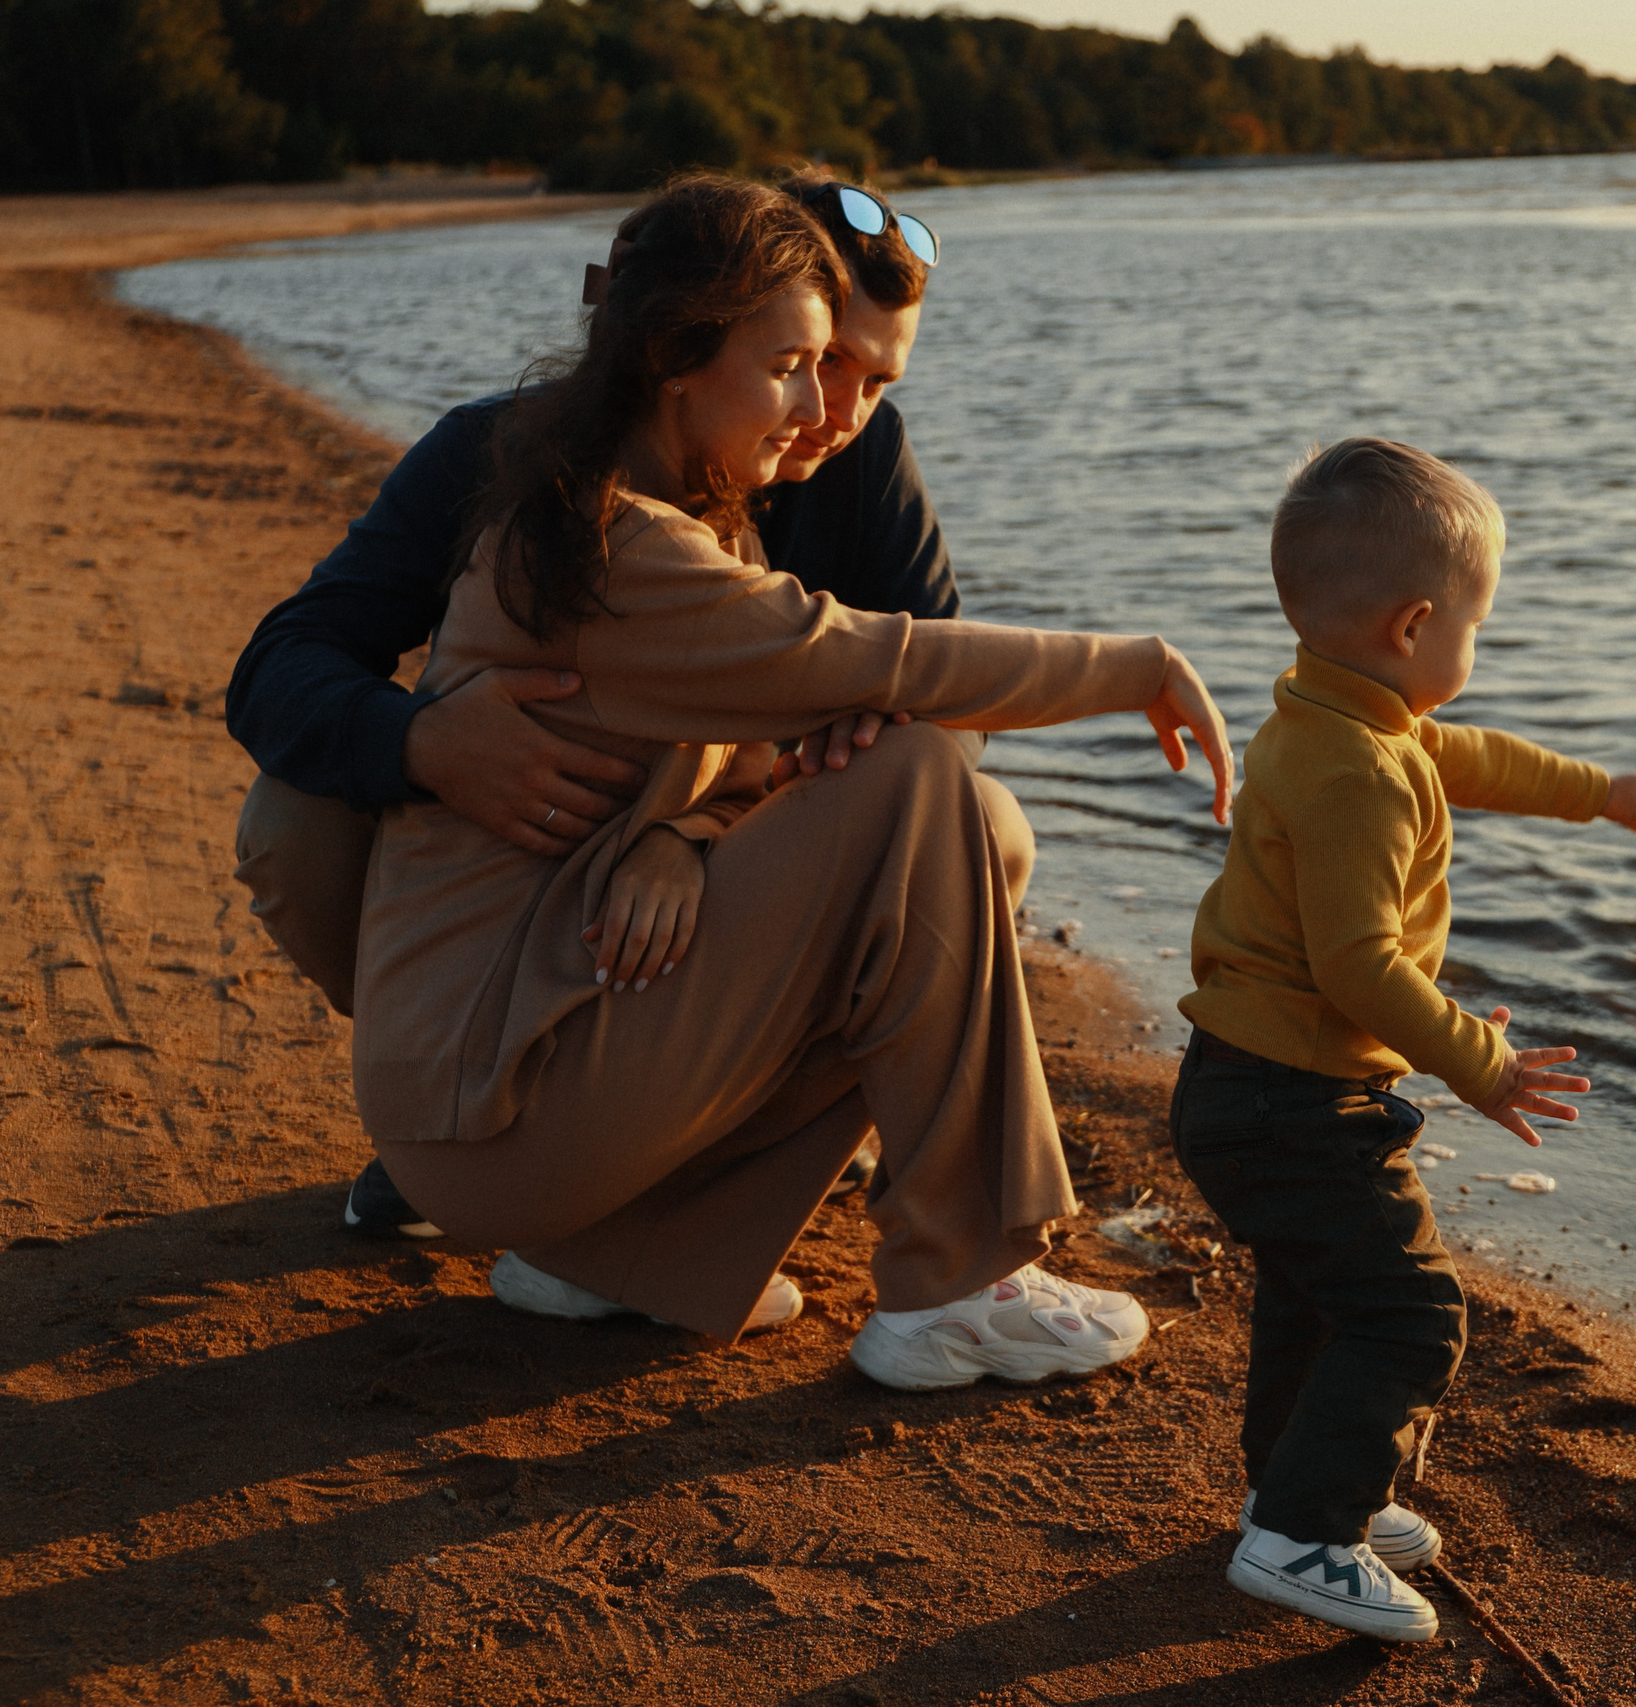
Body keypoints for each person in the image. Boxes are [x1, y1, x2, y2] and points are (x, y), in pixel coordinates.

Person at [345, 174, 1233, 1383]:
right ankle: (955, 1282)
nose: (823, 411)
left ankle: (624, 1251)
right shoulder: (615, 543)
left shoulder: (675, 510)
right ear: (673, 358)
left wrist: (690, 833)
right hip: (487, 1111)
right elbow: (885, 659)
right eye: (789, 368)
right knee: (920, 774)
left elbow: (752, 745)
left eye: (840, 373)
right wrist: (1133, 665)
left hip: (506, 1074)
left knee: (953, 826)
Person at [224, 168, 992, 1240]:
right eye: (814, 364)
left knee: (979, 823)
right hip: (519, 856)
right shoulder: (498, 456)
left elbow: (949, 704)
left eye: (875, 381)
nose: (837, 413)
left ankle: (710, 1134)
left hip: (720, 863)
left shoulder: (862, 469)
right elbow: (281, 662)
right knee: (291, 818)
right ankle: (464, 1111)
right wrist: (423, 741)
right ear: (699, 339)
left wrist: (695, 834)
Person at [1169, 439, 1636, 1639]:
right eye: (1475, 628)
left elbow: (1472, 757)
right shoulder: (1360, 769)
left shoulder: (1331, 711)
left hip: (1248, 1089)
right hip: (1292, 1101)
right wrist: (1482, 1060)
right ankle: (1302, 1535)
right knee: (1409, 1314)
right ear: (1415, 627)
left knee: (1314, 1295)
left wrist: (1597, 790)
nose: (1475, 651)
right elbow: (1358, 964)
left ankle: (1295, 1491)